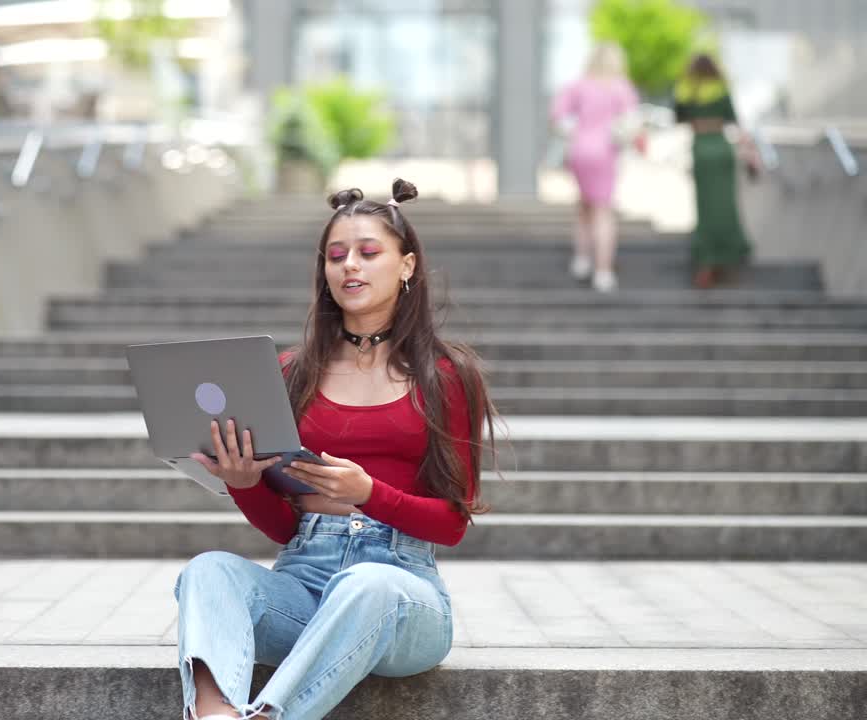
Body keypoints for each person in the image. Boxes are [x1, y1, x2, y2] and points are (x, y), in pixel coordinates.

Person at [174, 179, 496, 720]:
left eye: (369, 253)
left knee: (366, 584)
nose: (350, 266)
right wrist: (244, 482)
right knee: (208, 571)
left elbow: (452, 523)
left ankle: (274, 715)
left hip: (400, 594)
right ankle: (216, 714)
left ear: (407, 265)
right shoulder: (289, 372)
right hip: (303, 582)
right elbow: (283, 530)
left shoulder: (446, 376)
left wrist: (369, 494)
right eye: (337, 255)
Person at [551, 42, 640, 293]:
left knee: (583, 206)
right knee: (604, 211)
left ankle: (582, 259)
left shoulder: (579, 85)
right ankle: (603, 271)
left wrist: (576, 130)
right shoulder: (620, 87)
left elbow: (557, 115)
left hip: (579, 149)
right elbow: (631, 121)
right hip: (605, 152)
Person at [674, 53, 757, 289]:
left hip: (701, 147)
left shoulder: (686, 90)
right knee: (726, 205)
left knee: (706, 206)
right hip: (721, 148)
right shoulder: (721, 90)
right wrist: (750, 151)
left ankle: (708, 261)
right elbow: (735, 122)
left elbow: (679, 118)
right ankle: (727, 254)